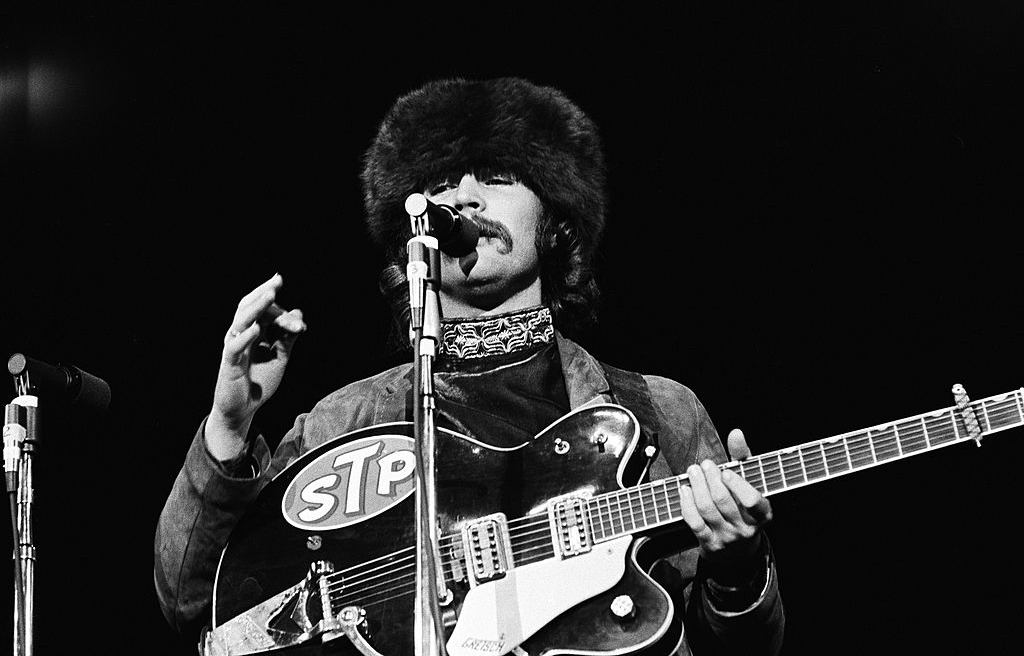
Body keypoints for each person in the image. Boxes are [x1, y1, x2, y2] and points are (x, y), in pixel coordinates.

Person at [154, 76, 785, 655]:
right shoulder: (342, 423)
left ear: (555, 222)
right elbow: (193, 603)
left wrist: (738, 570)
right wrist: (228, 432)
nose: (463, 195)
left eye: (498, 176)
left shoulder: (655, 410)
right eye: (440, 183)